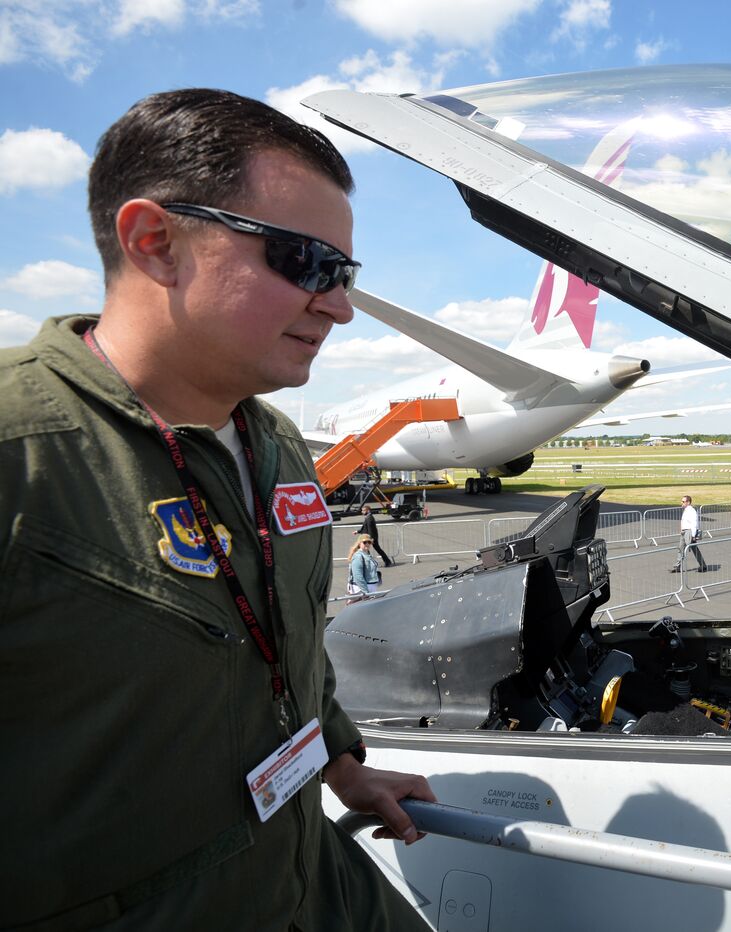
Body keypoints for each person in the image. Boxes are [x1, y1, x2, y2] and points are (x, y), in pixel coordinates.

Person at [0, 89, 436, 929]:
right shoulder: (21, 454)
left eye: (344, 275)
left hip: (309, 874)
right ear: (155, 243)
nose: (339, 306)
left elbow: (289, 643)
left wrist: (343, 765)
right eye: (307, 263)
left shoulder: (275, 443)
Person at [670, 493, 709, 573]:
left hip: (689, 532)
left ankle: (703, 565)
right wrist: (681, 530)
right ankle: (677, 566)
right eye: (682, 501)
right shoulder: (686, 510)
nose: (682, 503)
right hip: (684, 532)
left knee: (694, 549)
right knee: (681, 548)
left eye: (683, 501)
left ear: (688, 502)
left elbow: (694, 524)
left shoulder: (691, 511)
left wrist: (693, 535)